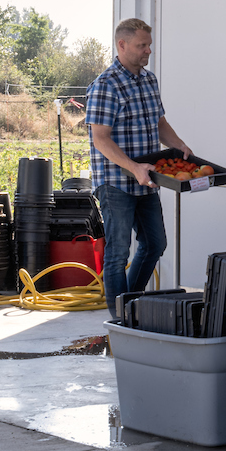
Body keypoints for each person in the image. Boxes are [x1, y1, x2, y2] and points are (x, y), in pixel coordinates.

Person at [84, 17, 195, 312]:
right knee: (118, 252)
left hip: (147, 178)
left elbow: (159, 122)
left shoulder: (149, 80)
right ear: (122, 45)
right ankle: (120, 318)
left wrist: (179, 145)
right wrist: (133, 166)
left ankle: (130, 305)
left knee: (155, 244)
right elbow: (101, 139)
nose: (148, 51)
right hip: (117, 181)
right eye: (141, 45)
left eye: (149, 45)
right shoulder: (106, 85)